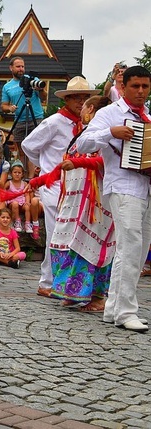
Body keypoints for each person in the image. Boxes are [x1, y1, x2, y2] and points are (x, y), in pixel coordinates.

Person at [76, 66, 151, 332]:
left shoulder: (149, 117)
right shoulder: (110, 113)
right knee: (130, 246)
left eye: (145, 86)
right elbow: (81, 144)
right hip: (122, 185)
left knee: (136, 251)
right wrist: (111, 133)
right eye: (135, 86)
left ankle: (113, 307)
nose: (141, 91)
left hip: (146, 186)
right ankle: (126, 312)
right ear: (124, 87)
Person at [23, 76, 100, 298]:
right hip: (55, 185)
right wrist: (45, 168)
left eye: (84, 98)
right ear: (66, 100)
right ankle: (47, 281)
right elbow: (29, 145)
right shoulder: (54, 122)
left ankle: (63, 281)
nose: (80, 102)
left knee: (70, 234)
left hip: (76, 185)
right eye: (75, 97)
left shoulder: (87, 125)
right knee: (57, 232)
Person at [50, 95, 114, 312]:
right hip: (73, 197)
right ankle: (73, 293)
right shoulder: (82, 133)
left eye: (85, 105)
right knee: (64, 240)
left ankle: (96, 297)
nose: (81, 109)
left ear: (92, 109)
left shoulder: (106, 133)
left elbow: (106, 161)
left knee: (91, 245)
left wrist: (78, 161)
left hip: (96, 199)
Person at [1, 57, 46, 178]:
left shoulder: (32, 80)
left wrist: (41, 89)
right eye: (18, 66)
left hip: (35, 117)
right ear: (11, 68)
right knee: (21, 151)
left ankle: (32, 177)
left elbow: (44, 98)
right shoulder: (7, 87)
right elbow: (3, 106)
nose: (21, 69)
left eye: (22, 66)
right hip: (19, 119)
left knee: (35, 149)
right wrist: (10, 108)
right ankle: (24, 176)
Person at [4, 161, 32, 234]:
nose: (17, 174)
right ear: (11, 173)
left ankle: (27, 223)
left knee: (27, 207)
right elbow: (3, 191)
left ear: (22, 174)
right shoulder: (9, 183)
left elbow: (26, 194)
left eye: (19, 173)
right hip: (12, 203)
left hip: (22, 202)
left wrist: (27, 202)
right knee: (15, 204)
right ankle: (17, 221)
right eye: (15, 172)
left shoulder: (25, 183)